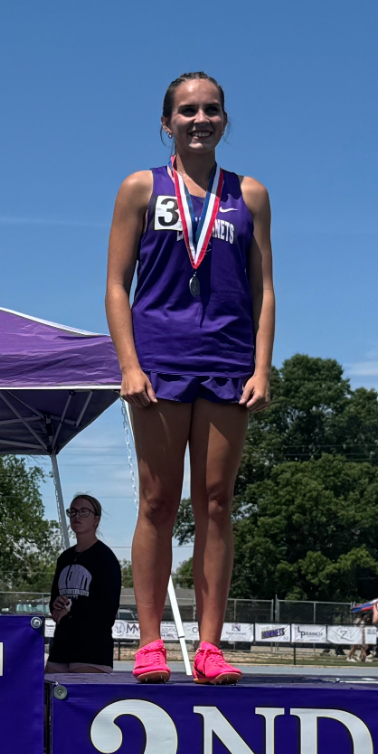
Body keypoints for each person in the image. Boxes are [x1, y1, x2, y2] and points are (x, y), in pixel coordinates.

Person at [106, 72, 275, 685]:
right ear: (166, 122)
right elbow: (116, 284)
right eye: (187, 111)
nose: (199, 119)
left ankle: (208, 647)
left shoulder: (248, 194)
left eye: (211, 109)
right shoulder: (139, 189)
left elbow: (263, 289)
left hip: (228, 362)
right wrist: (128, 363)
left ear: (225, 119)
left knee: (216, 504)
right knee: (157, 501)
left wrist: (261, 366)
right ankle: (150, 643)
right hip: (158, 360)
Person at [46, 493, 121, 672]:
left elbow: (107, 608)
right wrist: (56, 605)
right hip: (61, 649)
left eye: (84, 511)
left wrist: (71, 608)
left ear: (96, 519)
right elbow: (55, 598)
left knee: (81, 699)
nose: (77, 516)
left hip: (92, 651)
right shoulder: (65, 558)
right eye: (72, 512)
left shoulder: (105, 558)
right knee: (48, 697)